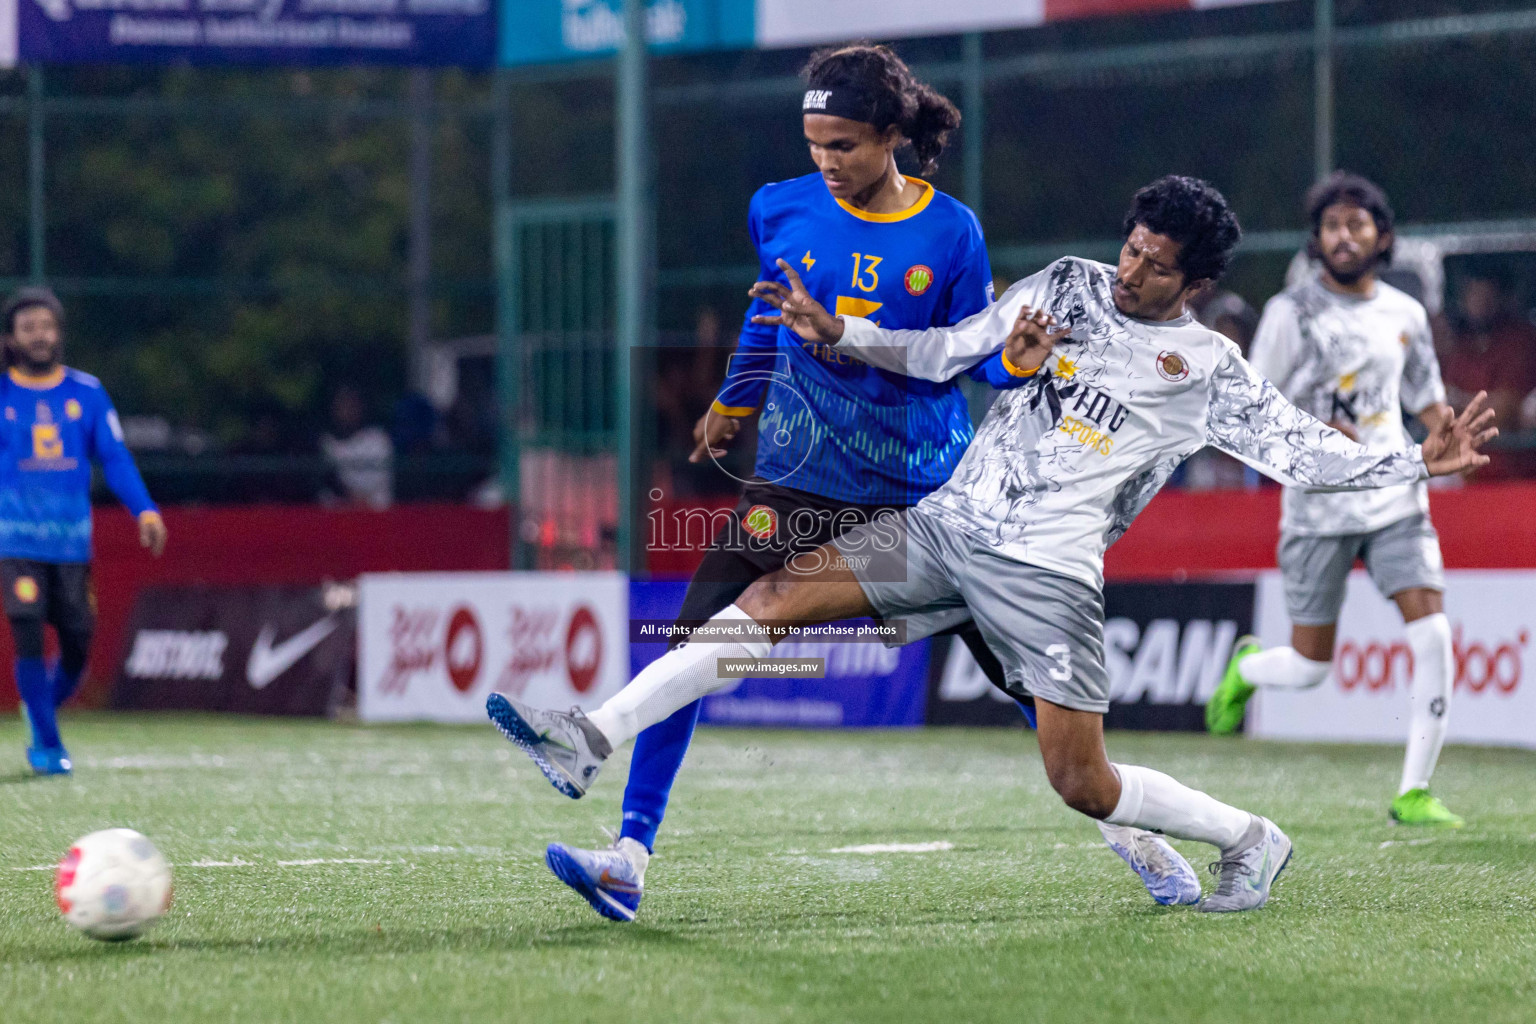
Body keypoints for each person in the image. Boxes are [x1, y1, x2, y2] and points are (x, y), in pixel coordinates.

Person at [488, 175, 1496, 913]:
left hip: (1049, 580)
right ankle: (587, 738)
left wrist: (1416, 460)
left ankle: (1247, 836)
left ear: (1194, 279)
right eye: (1133, 245)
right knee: (769, 602)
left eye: (1156, 263)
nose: (1133, 266)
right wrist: (838, 333)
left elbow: (1304, 450)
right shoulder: (1065, 286)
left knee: (1080, 780)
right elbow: (947, 351)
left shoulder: (1209, 368)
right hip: (949, 524)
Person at [526, 45, 1201, 922]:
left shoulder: (950, 231)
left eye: (843, 145)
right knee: (697, 633)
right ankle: (626, 859)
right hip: (800, 476)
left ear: (890, 136)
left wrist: (1014, 364)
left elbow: (969, 359)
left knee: (1029, 688)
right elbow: (767, 312)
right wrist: (735, 402)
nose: (826, 163)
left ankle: (1141, 840)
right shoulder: (779, 208)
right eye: (814, 145)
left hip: (927, 494)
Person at [1204, 173, 1469, 827]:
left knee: (1433, 630)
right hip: (1317, 504)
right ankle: (1249, 669)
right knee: (1308, 667)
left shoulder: (1405, 315)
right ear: (1317, 240)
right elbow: (1250, 406)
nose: (1343, 235)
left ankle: (1415, 790)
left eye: (1356, 224)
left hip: (1394, 497)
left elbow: (1424, 396)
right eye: (1331, 226)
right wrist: (1313, 433)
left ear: (1382, 236)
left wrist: (1448, 429)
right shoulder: (1290, 312)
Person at [1, 287, 167, 775]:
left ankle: (40, 709)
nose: (39, 335)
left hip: (72, 546)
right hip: (17, 544)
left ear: (59, 332)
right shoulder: (4, 394)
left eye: (46, 326)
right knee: (27, 631)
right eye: (28, 327)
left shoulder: (86, 393)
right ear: (12, 338)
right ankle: (48, 746)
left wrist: (145, 510)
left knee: (77, 642)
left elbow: (113, 458)